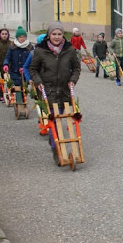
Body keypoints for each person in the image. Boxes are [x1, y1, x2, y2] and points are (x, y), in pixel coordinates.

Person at [29, 22, 80, 160]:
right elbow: (33, 69)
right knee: (54, 120)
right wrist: (38, 82)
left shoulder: (69, 50)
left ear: (63, 35)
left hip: (64, 91)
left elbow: (76, 68)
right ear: (49, 35)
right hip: (48, 90)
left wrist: (73, 80)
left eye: (59, 34)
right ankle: (56, 150)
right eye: (54, 34)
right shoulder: (40, 50)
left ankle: (54, 140)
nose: (57, 37)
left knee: (61, 118)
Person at [3, 26, 33, 99]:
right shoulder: (12, 46)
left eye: (24, 37)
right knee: (17, 86)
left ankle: (22, 100)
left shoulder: (30, 46)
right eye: (20, 37)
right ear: (17, 38)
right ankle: (19, 103)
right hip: (14, 70)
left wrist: (27, 68)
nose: (22, 39)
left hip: (25, 71)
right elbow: (7, 56)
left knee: (24, 86)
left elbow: (33, 59)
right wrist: (6, 64)